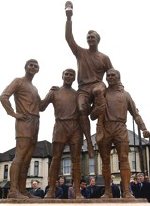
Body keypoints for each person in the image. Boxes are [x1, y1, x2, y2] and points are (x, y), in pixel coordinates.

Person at [65, 1, 113, 158]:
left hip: (97, 84)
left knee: (100, 90)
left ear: (98, 39)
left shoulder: (104, 57)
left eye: (92, 37)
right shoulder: (80, 53)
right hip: (83, 88)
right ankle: (89, 143)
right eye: (88, 37)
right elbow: (68, 38)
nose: (90, 38)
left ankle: (99, 124)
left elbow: (112, 74)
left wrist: (118, 89)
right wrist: (69, 18)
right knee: (80, 108)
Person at [97, 68, 150, 198]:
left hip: (121, 127)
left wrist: (143, 128)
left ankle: (126, 190)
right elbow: (94, 111)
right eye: (108, 75)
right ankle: (108, 191)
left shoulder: (125, 94)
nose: (109, 77)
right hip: (105, 127)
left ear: (118, 77)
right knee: (105, 161)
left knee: (124, 159)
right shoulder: (102, 93)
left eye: (112, 75)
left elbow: (135, 114)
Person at [0, 59, 42, 199]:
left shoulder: (34, 88)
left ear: (38, 69)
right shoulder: (18, 81)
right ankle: (13, 190)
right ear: (25, 67)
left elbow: (41, 106)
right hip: (24, 121)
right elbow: (4, 97)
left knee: (27, 158)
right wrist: (13, 113)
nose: (33, 67)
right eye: (31, 64)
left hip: (36, 122)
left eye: (36, 65)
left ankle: (23, 190)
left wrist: (51, 94)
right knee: (20, 156)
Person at [40, 69, 83, 199]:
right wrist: (46, 92)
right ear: (62, 76)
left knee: (76, 160)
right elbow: (41, 106)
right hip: (60, 126)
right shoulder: (55, 92)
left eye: (71, 75)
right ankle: (51, 190)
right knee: (56, 159)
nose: (69, 76)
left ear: (74, 78)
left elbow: (85, 111)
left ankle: (77, 191)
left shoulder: (78, 94)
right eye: (67, 74)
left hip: (75, 127)